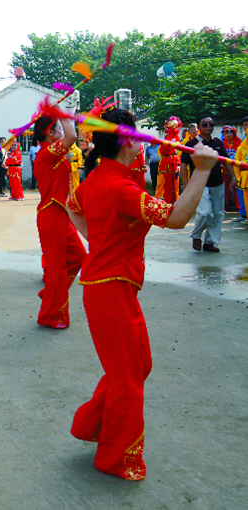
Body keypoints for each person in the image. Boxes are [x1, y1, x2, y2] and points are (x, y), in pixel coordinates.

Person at [66, 106, 219, 481]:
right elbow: (176, 218)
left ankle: (94, 425)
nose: (143, 141)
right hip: (110, 288)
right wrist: (202, 171)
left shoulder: (102, 178)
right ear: (125, 142)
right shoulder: (120, 187)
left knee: (138, 366)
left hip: (112, 285)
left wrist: (100, 242)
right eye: (137, 135)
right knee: (128, 376)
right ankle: (115, 458)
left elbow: (73, 206)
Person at [32, 111, 86, 329]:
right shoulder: (47, 153)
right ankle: (50, 316)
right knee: (56, 270)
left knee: (78, 256)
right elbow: (72, 137)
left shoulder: (55, 153)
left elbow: (72, 139)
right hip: (51, 214)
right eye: (59, 128)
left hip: (62, 214)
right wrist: (61, 113)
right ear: (50, 133)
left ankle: (51, 292)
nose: (63, 131)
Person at [182, 115, 236, 253]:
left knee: (218, 214)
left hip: (217, 183)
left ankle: (210, 242)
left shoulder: (217, 142)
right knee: (205, 212)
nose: (208, 127)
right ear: (199, 127)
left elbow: (226, 161)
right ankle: (196, 236)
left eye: (211, 124)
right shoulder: (191, 144)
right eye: (204, 124)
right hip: (199, 184)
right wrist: (186, 184)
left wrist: (233, 178)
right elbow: (183, 165)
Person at [154, 117, 182, 204]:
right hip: (167, 164)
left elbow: (178, 153)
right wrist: (169, 145)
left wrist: (178, 164)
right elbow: (162, 151)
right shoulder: (166, 142)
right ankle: (167, 201)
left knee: (175, 185)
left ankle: (175, 200)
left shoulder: (177, 140)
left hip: (175, 163)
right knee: (167, 185)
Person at [221, 125, 242, 213]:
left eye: (230, 133)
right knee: (224, 189)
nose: (228, 135)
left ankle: (239, 208)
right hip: (224, 169)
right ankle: (223, 207)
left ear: (234, 134)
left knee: (237, 188)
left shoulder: (239, 143)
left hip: (235, 169)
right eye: (227, 133)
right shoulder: (223, 144)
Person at [235, 116, 248, 224]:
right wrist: (237, 177)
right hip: (244, 178)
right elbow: (236, 163)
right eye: (245, 125)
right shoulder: (242, 146)